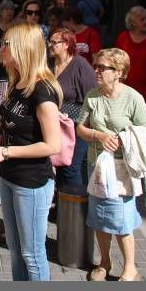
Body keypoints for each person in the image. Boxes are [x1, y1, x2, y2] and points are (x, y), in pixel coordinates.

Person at [0, 23, 63, 281]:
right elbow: (12, 119)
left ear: (22, 49)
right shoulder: (18, 82)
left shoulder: (42, 91)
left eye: (6, 44)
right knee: (16, 251)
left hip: (32, 181)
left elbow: (53, 145)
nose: (1, 48)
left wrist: (5, 152)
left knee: (32, 253)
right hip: (9, 176)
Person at [76, 48, 146, 282]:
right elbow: (80, 128)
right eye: (96, 66)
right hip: (97, 166)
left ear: (119, 72)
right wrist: (99, 136)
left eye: (103, 67)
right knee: (99, 216)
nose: (97, 71)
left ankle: (130, 268)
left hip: (122, 167)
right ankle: (104, 262)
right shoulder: (92, 95)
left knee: (122, 219)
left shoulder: (133, 98)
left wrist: (123, 138)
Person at [48, 28, 97, 186]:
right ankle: (60, 206)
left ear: (66, 44)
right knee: (57, 166)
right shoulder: (49, 64)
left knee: (70, 169)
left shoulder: (80, 65)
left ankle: (74, 207)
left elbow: (93, 98)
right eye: (50, 41)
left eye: (54, 42)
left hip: (76, 125)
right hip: (53, 124)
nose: (50, 45)